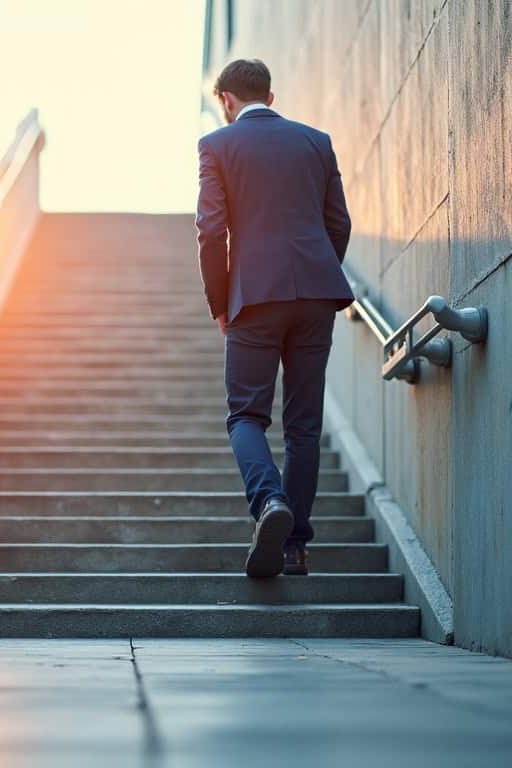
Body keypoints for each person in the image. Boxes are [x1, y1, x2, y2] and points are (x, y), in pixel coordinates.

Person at [195, 59, 355, 579]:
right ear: (271, 95)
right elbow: (339, 223)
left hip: (254, 298)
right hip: (316, 295)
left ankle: (269, 504)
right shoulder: (316, 142)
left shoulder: (217, 147)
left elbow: (210, 230)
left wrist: (221, 303)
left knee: (246, 416)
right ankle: (295, 549)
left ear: (226, 100)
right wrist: (316, 277)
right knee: (305, 425)